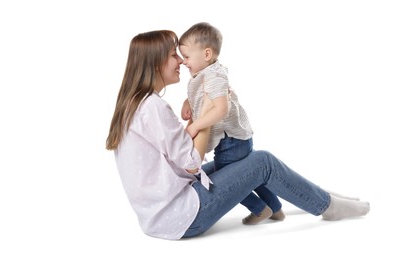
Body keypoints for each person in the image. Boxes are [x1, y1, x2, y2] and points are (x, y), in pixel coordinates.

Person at [105, 30, 370, 240]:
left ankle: (318, 195)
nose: (180, 61)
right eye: (173, 55)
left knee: (243, 163)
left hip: (162, 214)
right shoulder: (152, 107)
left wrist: (198, 120)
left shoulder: (136, 104)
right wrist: (207, 114)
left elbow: (178, 161)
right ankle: (327, 206)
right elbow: (191, 163)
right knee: (262, 162)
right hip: (183, 217)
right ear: (155, 61)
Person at [178, 22, 284, 225]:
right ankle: (276, 209)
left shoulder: (215, 77)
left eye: (187, 57)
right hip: (234, 140)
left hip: (230, 142)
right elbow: (203, 95)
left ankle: (260, 209)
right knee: (249, 175)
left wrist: (196, 125)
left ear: (207, 54)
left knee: (229, 181)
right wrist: (188, 102)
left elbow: (221, 109)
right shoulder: (204, 74)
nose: (184, 62)